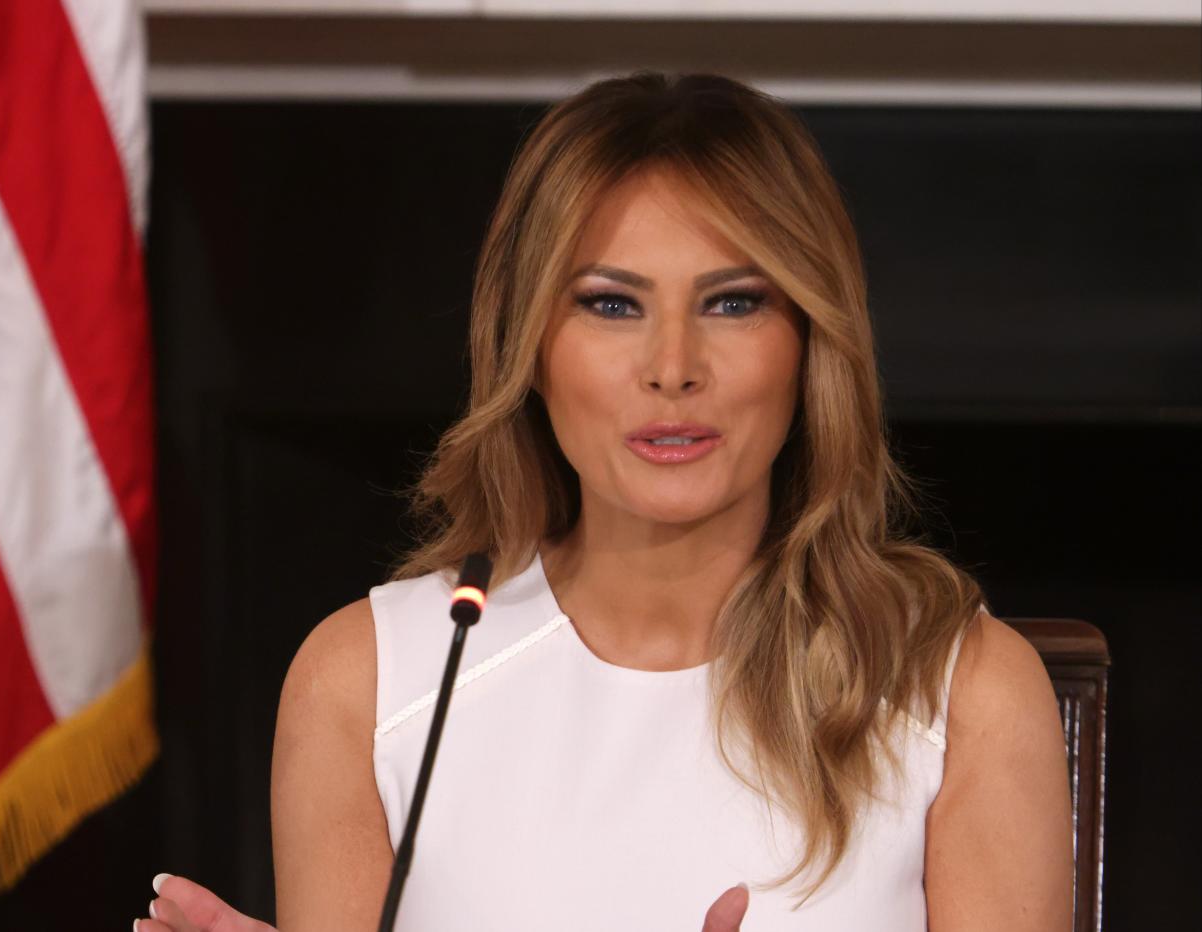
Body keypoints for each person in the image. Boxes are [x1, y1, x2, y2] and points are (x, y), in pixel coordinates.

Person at [133, 71, 1073, 932]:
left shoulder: (968, 689)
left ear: (811, 342)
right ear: (529, 344)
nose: (673, 369)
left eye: (735, 302)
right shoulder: (364, 681)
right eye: (612, 304)